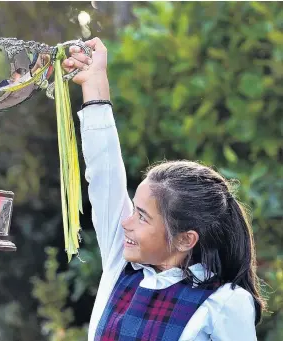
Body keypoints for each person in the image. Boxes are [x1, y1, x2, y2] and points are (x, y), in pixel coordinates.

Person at [62, 38, 265, 340]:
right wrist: (94, 82)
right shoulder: (121, 263)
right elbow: (104, 172)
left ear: (185, 239)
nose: (126, 222)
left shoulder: (226, 303)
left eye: (142, 217)